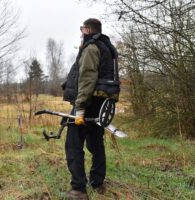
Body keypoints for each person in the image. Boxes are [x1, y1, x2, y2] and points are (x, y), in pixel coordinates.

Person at [62, 18, 119, 199]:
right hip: (100, 104)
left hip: (87, 103)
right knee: (96, 142)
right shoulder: (106, 47)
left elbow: (87, 79)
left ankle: (78, 189)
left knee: (73, 144)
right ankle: (97, 183)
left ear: (87, 30)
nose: (81, 33)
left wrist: (79, 109)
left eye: (82, 29)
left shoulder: (91, 48)